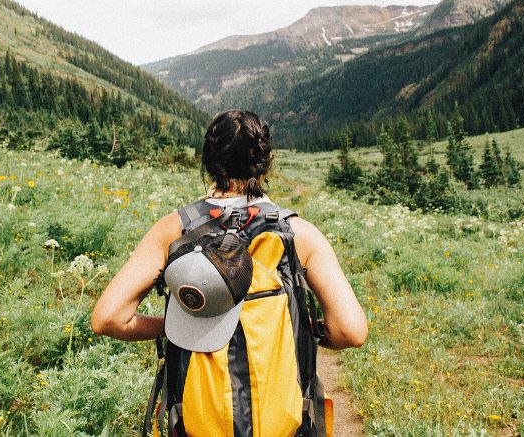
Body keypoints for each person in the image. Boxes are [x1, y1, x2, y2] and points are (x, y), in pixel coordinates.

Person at [91, 109, 367, 433]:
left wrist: (171, 328)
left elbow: (108, 318)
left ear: (207, 162)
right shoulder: (299, 234)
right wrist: (305, 331)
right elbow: (351, 331)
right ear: (268, 161)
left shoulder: (174, 230)